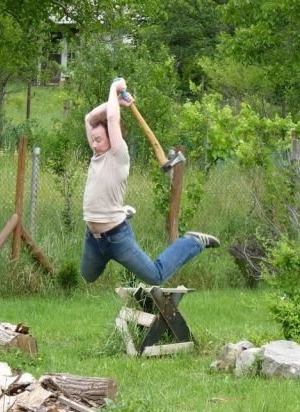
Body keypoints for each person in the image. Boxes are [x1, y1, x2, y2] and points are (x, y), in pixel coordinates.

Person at [80, 78, 220, 285]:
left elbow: (111, 118)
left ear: (112, 138)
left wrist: (114, 87)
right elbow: (89, 118)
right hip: (93, 238)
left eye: (98, 139)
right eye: (93, 140)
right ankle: (122, 211)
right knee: (88, 275)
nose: (94, 144)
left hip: (117, 237)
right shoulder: (96, 156)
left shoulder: (118, 154)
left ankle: (192, 242)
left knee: (155, 276)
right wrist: (116, 101)